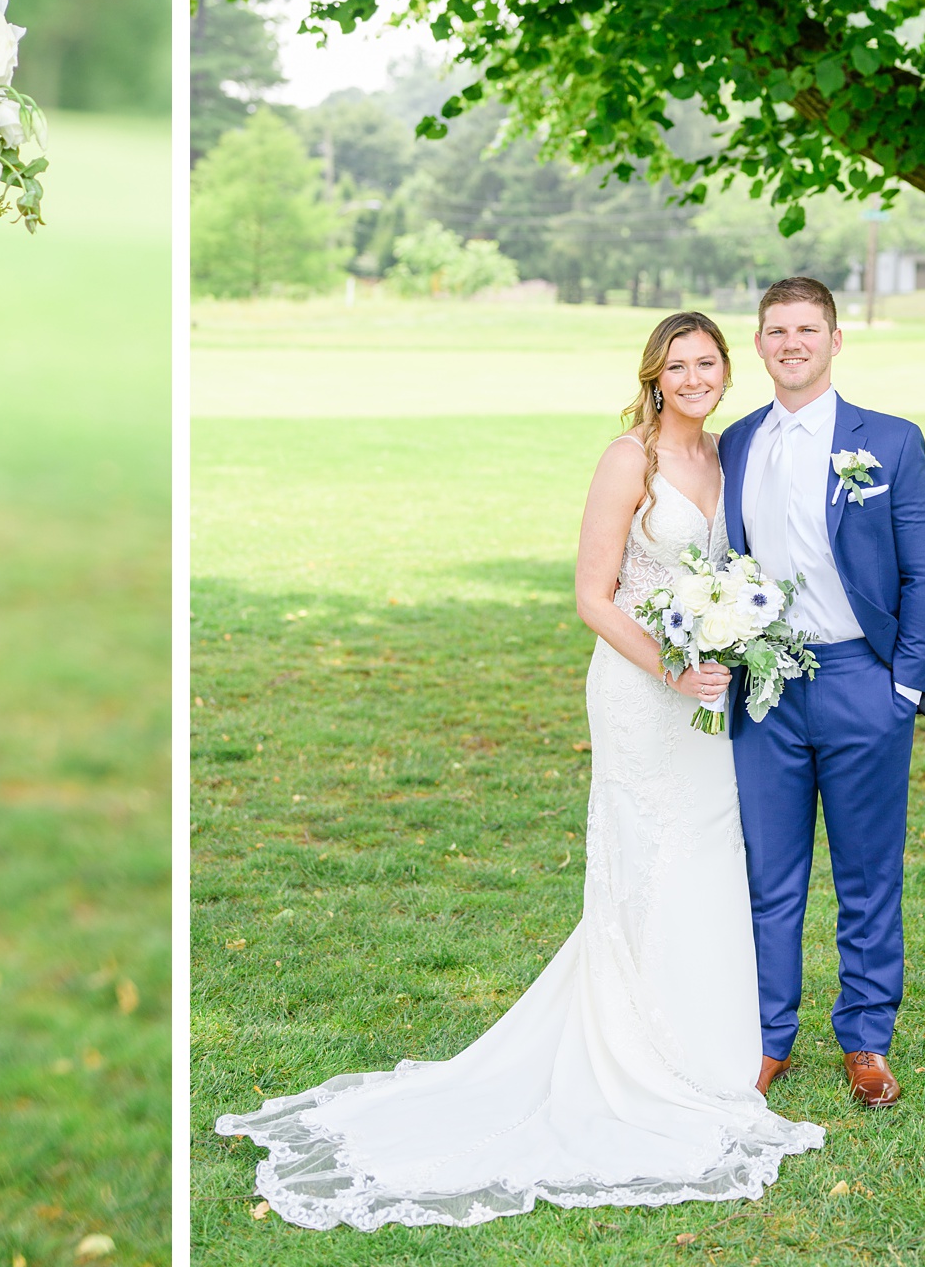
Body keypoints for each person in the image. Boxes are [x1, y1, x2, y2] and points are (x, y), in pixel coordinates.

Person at [217, 311, 824, 1232]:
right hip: (641, 686)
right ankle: (635, 1051)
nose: (694, 377)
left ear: (725, 369)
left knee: (706, 852)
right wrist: (671, 662)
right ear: (653, 375)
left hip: (707, 691)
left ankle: (709, 1050)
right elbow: (591, 592)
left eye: (707, 362)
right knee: (644, 852)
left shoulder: (724, 457)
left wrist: (727, 633)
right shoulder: (634, 460)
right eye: (677, 365)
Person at [721, 276, 925, 1110]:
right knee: (769, 875)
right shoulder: (736, 443)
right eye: (776, 330)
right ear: (758, 344)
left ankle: (865, 1039)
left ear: (835, 340)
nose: (791, 343)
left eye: (807, 329)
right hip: (765, 692)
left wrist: (903, 684)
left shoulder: (887, 441)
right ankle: (766, 1041)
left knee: (866, 874)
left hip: (862, 681)